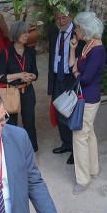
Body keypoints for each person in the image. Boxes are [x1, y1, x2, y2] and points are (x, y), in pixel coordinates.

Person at [68, 12, 106, 193]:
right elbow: (74, 65)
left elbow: (86, 78)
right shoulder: (89, 45)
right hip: (88, 96)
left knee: (80, 136)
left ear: (85, 28)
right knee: (89, 133)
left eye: (77, 27)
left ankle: (82, 180)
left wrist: (76, 73)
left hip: (89, 98)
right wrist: (74, 51)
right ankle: (93, 169)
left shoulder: (97, 50)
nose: (75, 30)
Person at [0, 21, 38, 153]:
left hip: (28, 91)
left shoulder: (31, 52)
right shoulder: (6, 52)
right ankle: (13, 152)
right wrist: (19, 75)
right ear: (16, 34)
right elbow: (1, 77)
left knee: (29, 123)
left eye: (28, 32)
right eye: (24, 32)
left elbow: (36, 73)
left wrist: (31, 76)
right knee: (11, 125)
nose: (27, 35)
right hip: (11, 93)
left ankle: (31, 150)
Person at [48, 11, 81, 162]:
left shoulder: (78, 33)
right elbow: (52, 58)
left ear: (71, 17)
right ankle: (66, 143)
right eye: (58, 18)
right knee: (59, 110)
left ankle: (76, 150)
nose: (61, 21)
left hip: (71, 78)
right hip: (57, 77)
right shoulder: (54, 32)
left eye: (64, 18)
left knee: (72, 113)